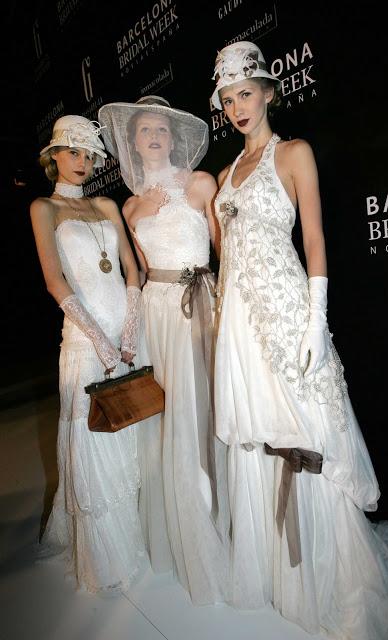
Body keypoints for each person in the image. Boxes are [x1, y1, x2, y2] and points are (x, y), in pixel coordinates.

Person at [211, 41, 388, 638]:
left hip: (288, 315)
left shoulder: (294, 153)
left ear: (268, 92)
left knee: (307, 432)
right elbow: (229, 257)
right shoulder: (225, 175)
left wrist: (314, 321)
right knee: (260, 437)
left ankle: (329, 573)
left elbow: (313, 240)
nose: (237, 108)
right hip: (241, 326)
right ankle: (281, 569)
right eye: (227, 100)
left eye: (245, 94)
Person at [98, 96, 230, 605]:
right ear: (132, 142)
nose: (154, 137)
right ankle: (180, 527)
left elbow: (224, 251)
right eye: (145, 130)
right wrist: (130, 333)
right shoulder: (130, 207)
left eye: (162, 130)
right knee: (167, 418)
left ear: (174, 138)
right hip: (156, 311)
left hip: (197, 306)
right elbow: (137, 273)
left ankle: (217, 513)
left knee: (203, 411)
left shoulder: (200, 184)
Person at [30, 115, 145, 593]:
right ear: (53, 156)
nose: (82, 162)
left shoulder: (105, 204)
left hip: (128, 333)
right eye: (72, 152)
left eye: (89, 154)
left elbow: (131, 269)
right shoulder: (44, 207)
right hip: (84, 336)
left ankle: (137, 532)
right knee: (93, 434)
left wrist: (130, 327)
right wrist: (99, 339)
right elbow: (54, 281)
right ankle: (105, 554)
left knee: (133, 426)